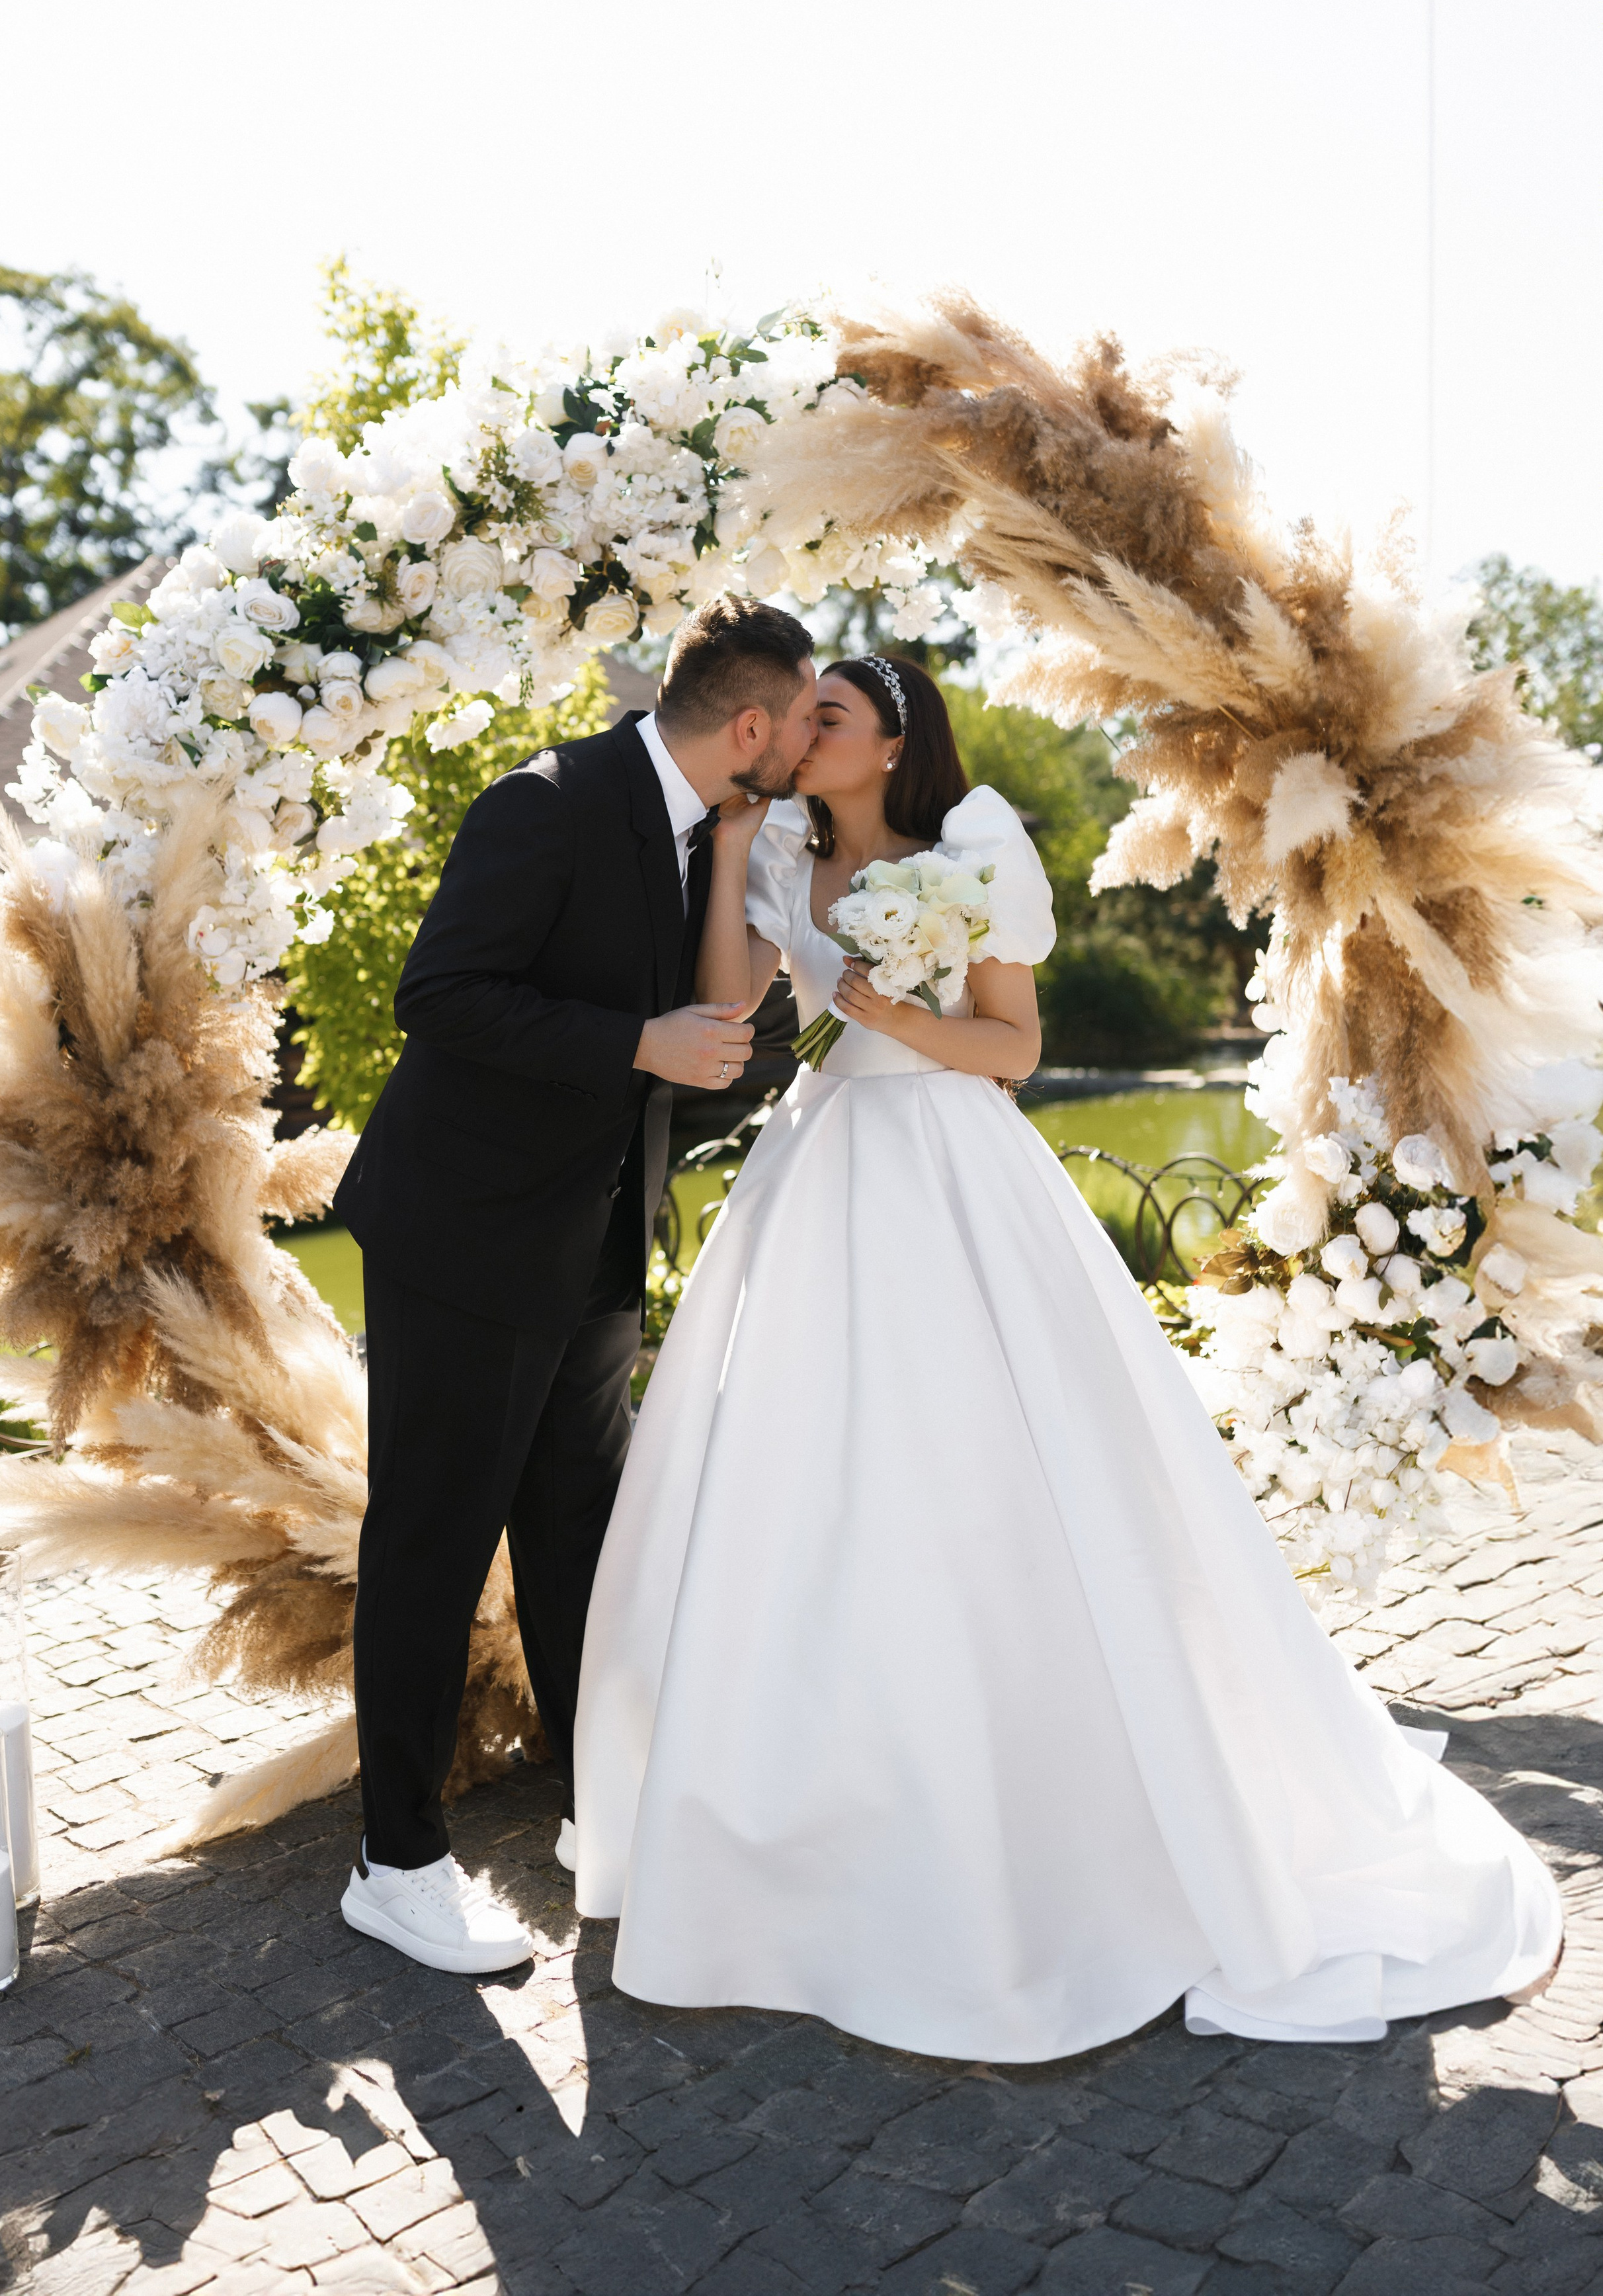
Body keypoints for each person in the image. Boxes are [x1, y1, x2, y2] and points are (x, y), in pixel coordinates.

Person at [573, 652, 1563, 2059]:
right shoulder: (779, 847)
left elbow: (1014, 1046)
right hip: (816, 1167)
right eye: (795, 718)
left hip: (951, 1164)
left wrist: (898, 1017)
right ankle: (801, 1802)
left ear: (890, 740)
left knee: (989, 1472)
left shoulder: (970, 848)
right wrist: (734, 847)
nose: (798, 732)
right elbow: (731, 1010)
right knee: (799, 1477)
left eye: (826, 717)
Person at [333, 595, 818, 1973]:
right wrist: (636, 1042)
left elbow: (716, 1034)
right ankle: (395, 1860)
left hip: (594, 1243)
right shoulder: (545, 802)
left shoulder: (721, 831)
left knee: (576, 1541)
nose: (809, 740)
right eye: (802, 718)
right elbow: (440, 994)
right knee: (433, 1539)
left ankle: (597, 1810)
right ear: (749, 724)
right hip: (464, 1238)